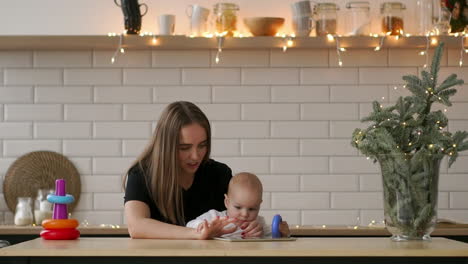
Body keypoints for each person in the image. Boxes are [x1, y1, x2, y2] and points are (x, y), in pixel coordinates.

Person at [123, 101, 264, 239]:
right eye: (184, 147)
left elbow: (239, 217)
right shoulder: (141, 174)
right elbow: (136, 226)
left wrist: (254, 227)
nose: (196, 156)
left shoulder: (219, 174)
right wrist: (197, 234)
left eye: (202, 145)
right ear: (166, 147)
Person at [187, 172, 290, 239]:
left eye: (252, 209)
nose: (245, 214)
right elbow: (189, 225)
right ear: (227, 202)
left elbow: (274, 240)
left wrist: (282, 233)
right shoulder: (215, 217)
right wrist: (205, 227)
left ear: (259, 205)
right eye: (238, 207)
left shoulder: (259, 223)